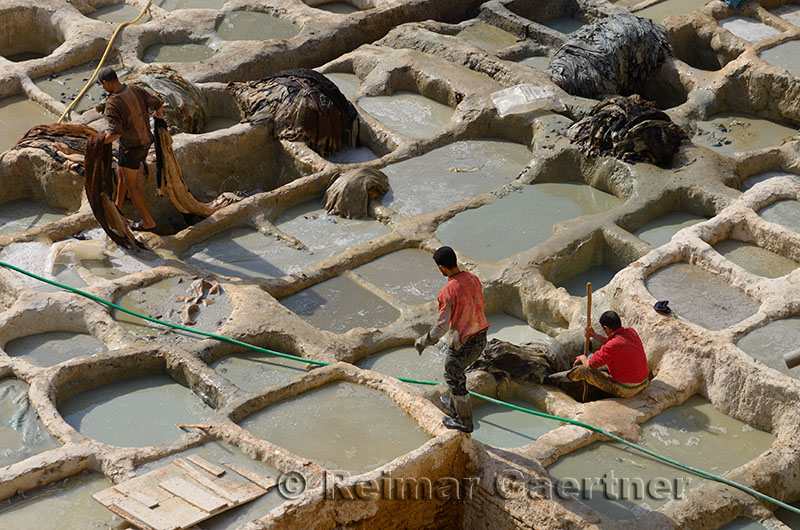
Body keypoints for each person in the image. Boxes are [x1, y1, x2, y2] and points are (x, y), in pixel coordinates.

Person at [415, 246, 490, 433]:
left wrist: (423, 341)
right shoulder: (473, 278)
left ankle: (464, 422)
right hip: (481, 336)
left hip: (464, 342)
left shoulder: (448, 291)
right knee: (454, 373)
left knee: (453, 376)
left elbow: (442, 326)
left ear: (442, 267)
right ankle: (453, 405)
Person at [99, 66, 164, 231]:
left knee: (131, 185)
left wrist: (98, 143)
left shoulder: (112, 103)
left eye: (102, 85)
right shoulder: (135, 88)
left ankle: (148, 221)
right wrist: (159, 114)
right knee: (121, 172)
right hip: (146, 142)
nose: (103, 88)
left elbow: (115, 134)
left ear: (106, 83)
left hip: (132, 147)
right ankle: (117, 209)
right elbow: (157, 103)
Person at [562, 310, 649, 398]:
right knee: (597, 360)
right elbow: (611, 343)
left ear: (606, 328)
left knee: (582, 370)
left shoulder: (611, 346)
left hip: (627, 390)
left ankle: (558, 380)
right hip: (644, 382)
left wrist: (582, 358)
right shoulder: (631, 332)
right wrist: (594, 335)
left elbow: (589, 365)